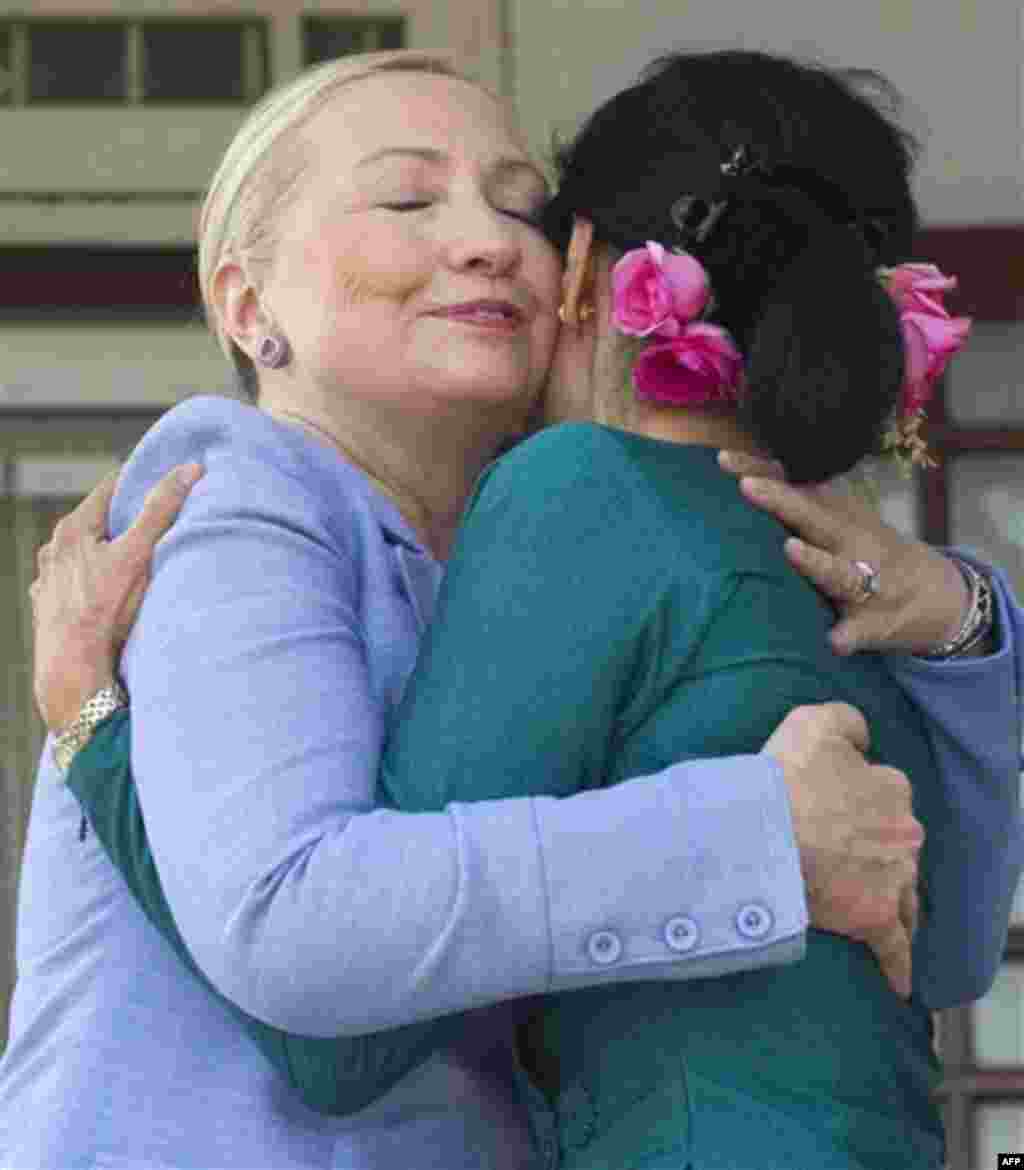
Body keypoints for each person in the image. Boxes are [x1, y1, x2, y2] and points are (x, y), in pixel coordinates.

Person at [3, 49, 1019, 1170]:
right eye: (406, 197)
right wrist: (767, 830)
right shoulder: (239, 488)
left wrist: (93, 722)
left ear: (579, 269)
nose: (488, 239)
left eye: (520, 207)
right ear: (246, 302)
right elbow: (298, 946)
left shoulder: (563, 528)